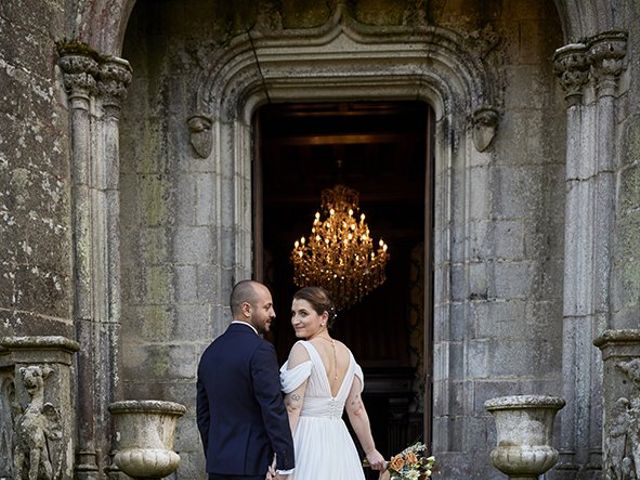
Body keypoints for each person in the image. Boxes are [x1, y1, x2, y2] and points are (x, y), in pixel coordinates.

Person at [274, 286, 386, 479]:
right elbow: (356, 408)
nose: (295, 321)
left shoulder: (302, 349)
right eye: (293, 314)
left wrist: (281, 456)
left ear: (323, 318)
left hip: (306, 439)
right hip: (339, 441)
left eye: (303, 314)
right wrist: (371, 451)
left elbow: (293, 407)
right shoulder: (348, 354)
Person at [197, 280, 295, 480]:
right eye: (267, 307)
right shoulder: (261, 350)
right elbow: (272, 407)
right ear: (247, 309)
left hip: (218, 466)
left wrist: (215, 453)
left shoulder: (209, 353)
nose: (273, 314)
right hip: (254, 466)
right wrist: (285, 464)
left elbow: (203, 415)